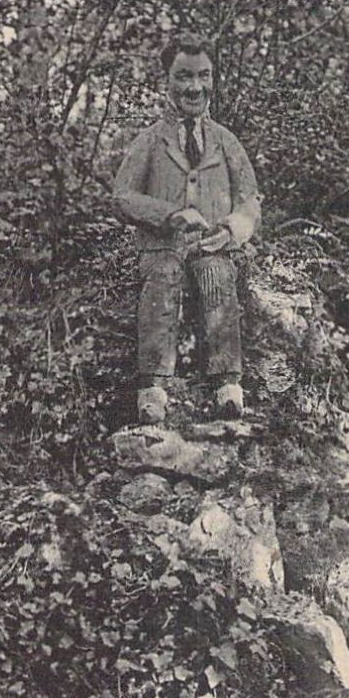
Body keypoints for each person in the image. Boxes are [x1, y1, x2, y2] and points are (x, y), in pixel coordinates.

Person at [113, 32, 261, 423]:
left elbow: (250, 199)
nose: (195, 87)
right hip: (162, 248)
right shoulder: (150, 141)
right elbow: (123, 195)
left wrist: (233, 228)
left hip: (211, 247)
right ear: (167, 80)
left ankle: (228, 385)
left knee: (217, 278)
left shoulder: (226, 141)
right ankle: (153, 390)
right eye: (183, 76)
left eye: (203, 75)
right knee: (162, 282)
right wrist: (168, 214)